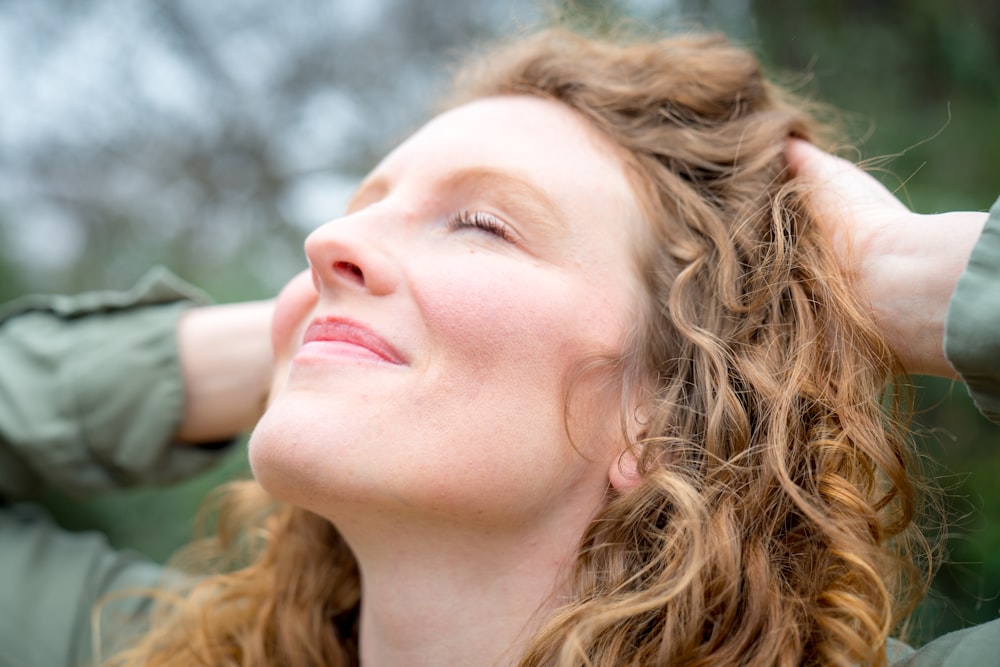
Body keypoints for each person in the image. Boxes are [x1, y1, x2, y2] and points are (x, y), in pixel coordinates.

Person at [1, 27, 998, 667]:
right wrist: (299, 337)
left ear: (662, 406)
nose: (326, 244)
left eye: (480, 224)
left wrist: (906, 274)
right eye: (360, 211)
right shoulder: (139, 648)